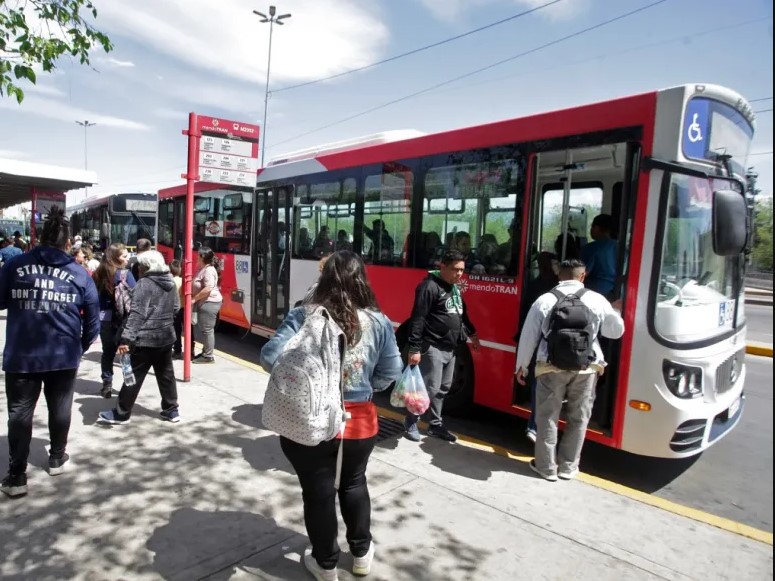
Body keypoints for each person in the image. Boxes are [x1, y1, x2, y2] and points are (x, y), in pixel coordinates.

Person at [260, 250, 402, 580]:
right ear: (362, 279)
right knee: (354, 483)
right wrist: (362, 386)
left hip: (310, 418)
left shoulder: (304, 314)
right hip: (359, 421)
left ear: (324, 278)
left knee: (318, 492)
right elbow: (389, 372)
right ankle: (362, 552)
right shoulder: (378, 320)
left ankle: (325, 564)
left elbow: (270, 356)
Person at [0, 207, 100, 497]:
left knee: (19, 413)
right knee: (60, 409)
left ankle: (17, 475)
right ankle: (57, 457)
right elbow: (92, 323)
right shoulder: (79, 274)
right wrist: (76, 349)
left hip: (22, 355)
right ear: (67, 243)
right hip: (62, 355)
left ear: (39, 237)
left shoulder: (15, 265)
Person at [515, 259, 624, 481]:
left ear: (559, 275)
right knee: (579, 417)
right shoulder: (597, 300)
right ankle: (568, 467)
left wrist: (522, 367)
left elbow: (529, 337)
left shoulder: (544, 300)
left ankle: (546, 468)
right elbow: (615, 333)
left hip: (549, 366)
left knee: (548, 417)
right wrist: (615, 311)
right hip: (587, 367)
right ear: (582, 276)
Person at [404, 250, 480, 443]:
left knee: (443, 388)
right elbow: (418, 318)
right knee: (429, 389)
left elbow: (462, 315)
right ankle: (411, 421)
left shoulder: (454, 289)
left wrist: (473, 334)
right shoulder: (429, 287)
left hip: (451, 348)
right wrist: (414, 348)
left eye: (462, 270)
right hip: (433, 347)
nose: (459, 274)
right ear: (442, 266)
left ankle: (435, 425)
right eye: (455, 269)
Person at [97, 251, 181, 425]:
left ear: (147, 266)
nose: (138, 268)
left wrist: (126, 339)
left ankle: (121, 413)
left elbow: (137, 314)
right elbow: (175, 308)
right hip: (165, 337)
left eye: (140, 265)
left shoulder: (145, 283)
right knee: (166, 375)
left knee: (132, 376)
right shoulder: (170, 282)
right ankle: (171, 410)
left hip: (145, 339)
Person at [518, 251, 559, 443]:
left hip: (541, 350)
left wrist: (522, 366)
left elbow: (529, 331)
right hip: (570, 358)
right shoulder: (587, 296)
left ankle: (534, 428)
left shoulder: (539, 290)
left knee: (539, 386)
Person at [93, 243, 137, 398]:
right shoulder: (125, 274)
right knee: (125, 352)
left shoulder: (98, 274)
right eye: (124, 256)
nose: (128, 259)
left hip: (104, 318)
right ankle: (128, 384)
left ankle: (107, 383)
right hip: (123, 320)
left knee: (107, 352)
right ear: (115, 258)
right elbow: (135, 297)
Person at [191, 247, 222, 363]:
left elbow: (208, 288)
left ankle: (208, 356)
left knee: (207, 330)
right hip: (206, 302)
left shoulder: (208, 270)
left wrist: (194, 299)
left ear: (202, 257)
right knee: (205, 329)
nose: (196, 257)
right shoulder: (204, 268)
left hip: (210, 302)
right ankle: (206, 352)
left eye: (198, 255)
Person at [581, 214, 618, 298]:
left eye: (592, 227)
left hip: (593, 292)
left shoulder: (591, 248)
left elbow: (582, 273)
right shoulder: (619, 246)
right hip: (615, 292)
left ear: (597, 228)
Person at [169, 259, 184, 360]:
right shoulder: (183, 280)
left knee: (177, 331)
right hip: (185, 308)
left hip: (176, 309)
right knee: (189, 330)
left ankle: (177, 351)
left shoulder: (171, 282)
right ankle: (190, 350)